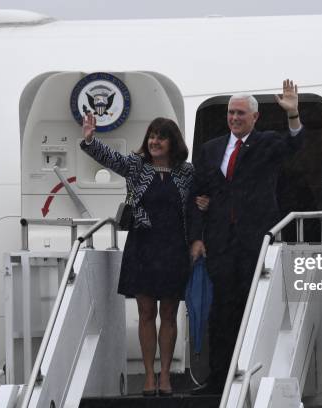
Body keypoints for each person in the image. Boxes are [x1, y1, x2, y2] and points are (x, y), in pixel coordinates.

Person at [189, 79, 304, 394]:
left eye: (241, 113)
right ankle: (219, 379)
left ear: (255, 117)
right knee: (221, 310)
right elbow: (198, 193)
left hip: (255, 240)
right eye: (231, 113)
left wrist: (293, 115)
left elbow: (295, 144)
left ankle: (251, 376)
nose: (235, 118)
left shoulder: (266, 143)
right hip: (222, 243)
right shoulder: (212, 148)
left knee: (252, 308)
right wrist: (198, 236)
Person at [80, 113, 207, 396]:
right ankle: (150, 376)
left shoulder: (186, 172)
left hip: (174, 247)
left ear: (172, 142)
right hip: (143, 245)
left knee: (170, 313)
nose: (154, 141)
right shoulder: (137, 166)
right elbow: (112, 159)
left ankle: (165, 377)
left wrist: (198, 235)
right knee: (146, 312)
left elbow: (195, 209)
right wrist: (90, 140)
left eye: (160, 137)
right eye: (151, 136)